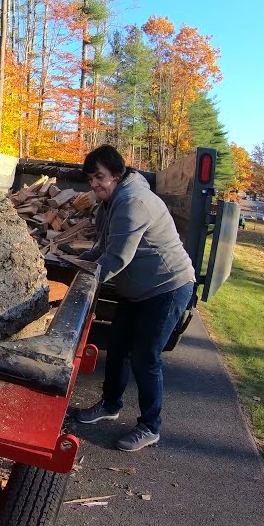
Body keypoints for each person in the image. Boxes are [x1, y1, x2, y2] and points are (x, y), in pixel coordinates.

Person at [72, 145, 196, 452]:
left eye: (99, 176)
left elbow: (117, 258)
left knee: (145, 357)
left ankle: (150, 427)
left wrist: (85, 280)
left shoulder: (133, 202)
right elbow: (103, 247)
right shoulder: (110, 202)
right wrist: (77, 263)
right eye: (90, 179)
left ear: (116, 173)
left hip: (168, 286)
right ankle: (110, 405)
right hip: (138, 288)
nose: (95, 184)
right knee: (117, 350)